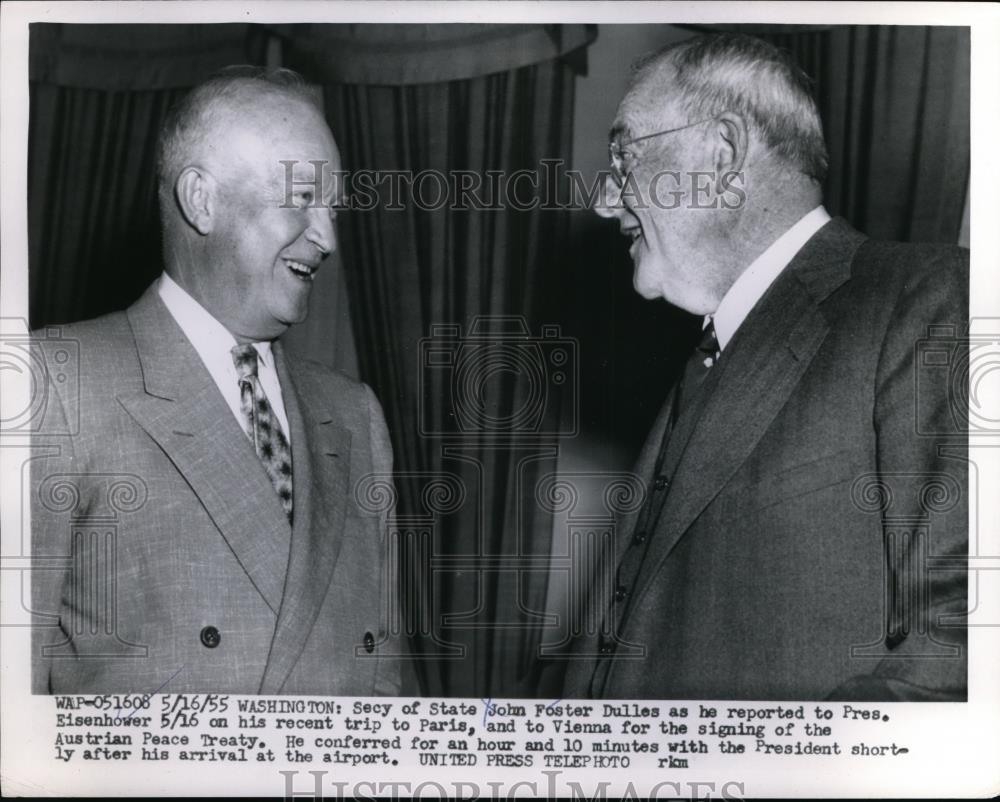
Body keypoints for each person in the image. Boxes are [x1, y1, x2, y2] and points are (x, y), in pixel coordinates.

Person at [562, 34, 968, 701]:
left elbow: (960, 645)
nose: (605, 200)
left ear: (722, 155)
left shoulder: (925, 299)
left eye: (621, 154)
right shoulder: (701, 361)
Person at [31, 67, 404, 695]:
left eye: (332, 207)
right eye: (301, 197)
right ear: (201, 200)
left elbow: (389, 684)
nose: (328, 237)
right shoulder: (58, 384)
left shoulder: (356, 415)